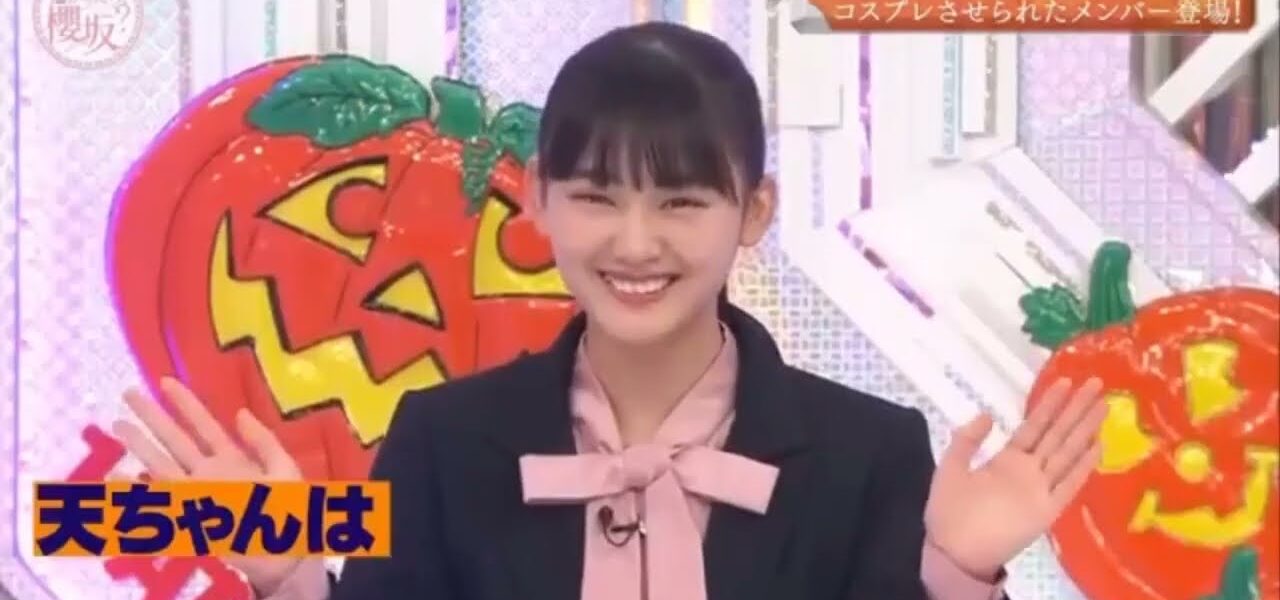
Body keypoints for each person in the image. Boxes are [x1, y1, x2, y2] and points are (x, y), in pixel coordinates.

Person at [113, 22, 1108, 600]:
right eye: (596, 197)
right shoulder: (441, 440)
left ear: (753, 211)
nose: (635, 244)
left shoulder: (867, 453)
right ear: (539, 201)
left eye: (680, 202)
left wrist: (958, 570)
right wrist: (286, 570)